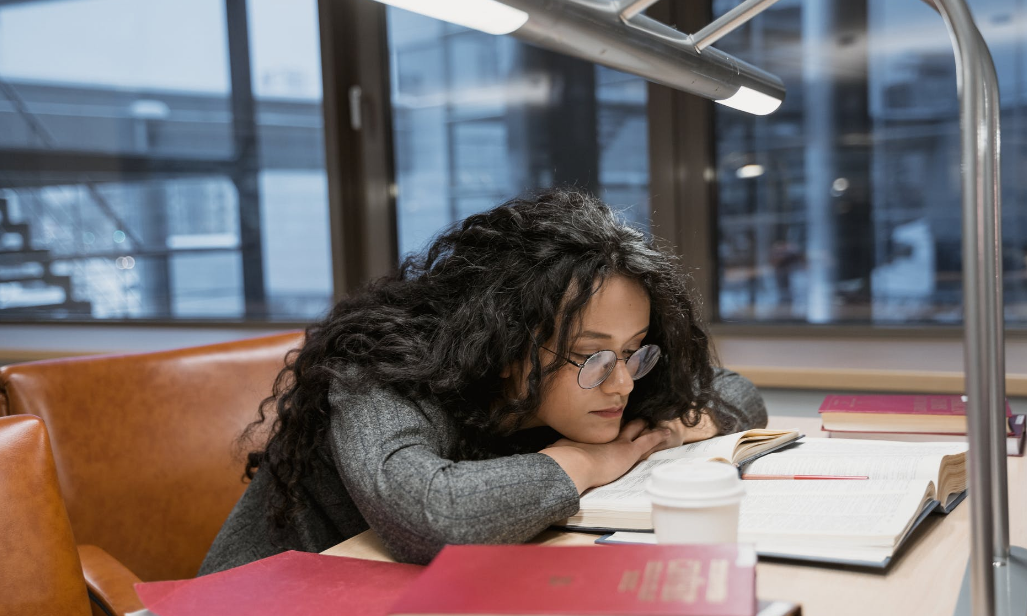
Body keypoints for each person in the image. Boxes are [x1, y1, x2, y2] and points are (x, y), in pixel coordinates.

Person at [199, 188, 767, 574]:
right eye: (593, 359)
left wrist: (665, 429)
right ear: (504, 346)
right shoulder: (378, 371)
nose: (622, 386)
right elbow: (431, 516)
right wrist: (589, 463)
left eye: (634, 353)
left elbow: (736, 392)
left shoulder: (609, 383)